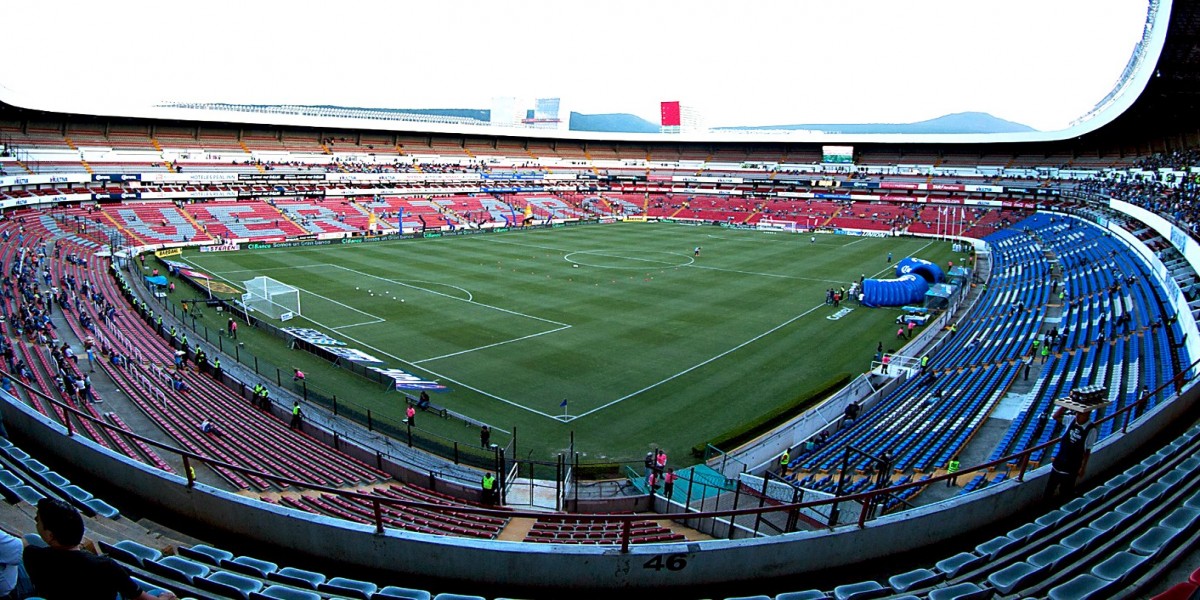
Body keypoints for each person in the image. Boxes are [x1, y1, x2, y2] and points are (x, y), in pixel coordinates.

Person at [25, 498, 177, 600]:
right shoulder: (106, 566)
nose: (35, 522)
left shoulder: (33, 556)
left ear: (50, 536)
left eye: (38, 520)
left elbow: (21, 543)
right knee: (163, 594)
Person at [1043, 407, 1098, 502]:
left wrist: (1083, 467)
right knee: (1049, 489)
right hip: (1059, 462)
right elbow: (1055, 416)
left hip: (1072, 467)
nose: (1078, 416)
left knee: (1065, 492)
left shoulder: (1091, 429)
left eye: (1081, 414)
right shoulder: (1071, 420)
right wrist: (1065, 405)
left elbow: (1087, 450)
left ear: (1087, 414)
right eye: (1077, 413)